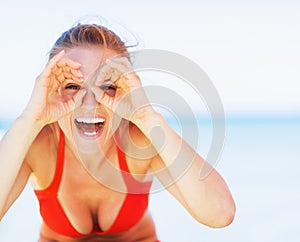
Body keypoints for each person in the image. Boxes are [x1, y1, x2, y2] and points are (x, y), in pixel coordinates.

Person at [0, 23, 235, 242]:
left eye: (108, 87)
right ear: (51, 91)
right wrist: (30, 119)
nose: (89, 103)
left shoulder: (140, 140)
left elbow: (219, 214)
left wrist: (147, 117)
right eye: (73, 86)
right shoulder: (39, 144)